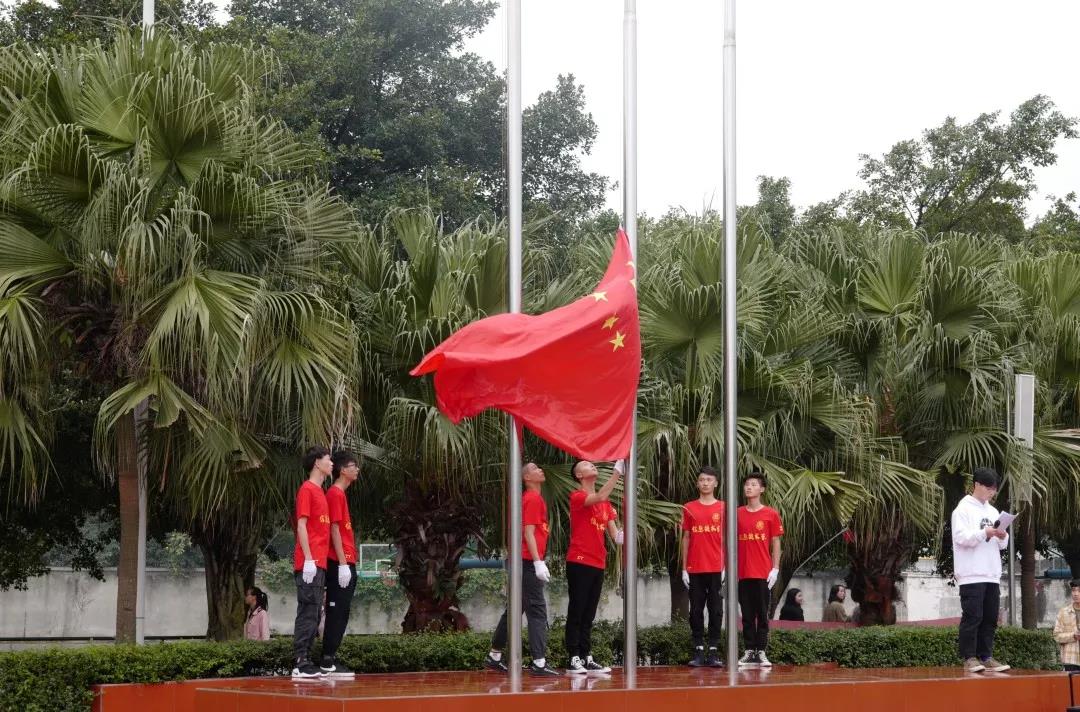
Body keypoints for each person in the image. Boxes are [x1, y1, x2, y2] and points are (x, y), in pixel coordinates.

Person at [485, 463, 558, 677]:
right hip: (526, 561)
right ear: (527, 477)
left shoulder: (531, 498)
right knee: (537, 610)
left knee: (515, 610)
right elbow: (528, 533)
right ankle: (539, 662)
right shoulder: (532, 498)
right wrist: (537, 561)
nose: (541, 470)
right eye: (535, 469)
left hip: (523, 561)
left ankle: (494, 655)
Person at [565, 458, 624, 674]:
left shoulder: (606, 505)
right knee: (577, 610)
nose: (591, 465)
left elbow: (616, 536)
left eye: (592, 463)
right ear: (579, 475)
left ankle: (585, 656)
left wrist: (625, 533)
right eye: (586, 464)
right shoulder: (577, 496)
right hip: (579, 560)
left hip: (598, 562)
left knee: (589, 613)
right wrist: (617, 473)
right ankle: (573, 657)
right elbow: (598, 496)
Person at [952, 466, 1010, 674]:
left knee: (990, 618)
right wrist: (984, 532)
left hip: (991, 573)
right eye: (988, 488)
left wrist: (1002, 536)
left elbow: (1002, 545)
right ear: (977, 484)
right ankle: (969, 658)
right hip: (971, 573)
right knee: (973, 616)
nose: (991, 492)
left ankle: (986, 656)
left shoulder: (993, 511)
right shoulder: (962, 509)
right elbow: (961, 537)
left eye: (994, 489)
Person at [291, 446, 332, 679]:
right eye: (328, 459)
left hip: (319, 563)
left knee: (315, 612)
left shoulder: (321, 493)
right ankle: (300, 662)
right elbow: (301, 525)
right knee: (308, 610)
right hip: (309, 562)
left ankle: (306, 659)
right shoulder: (307, 489)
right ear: (317, 462)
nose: (332, 463)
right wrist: (308, 559)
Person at [736, 470, 783, 668]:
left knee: (762, 614)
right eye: (747, 484)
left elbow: (776, 542)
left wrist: (775, 568)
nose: (749, 487)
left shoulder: (770, 514)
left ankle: (761, 651)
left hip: (763, 572)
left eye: (754, 484)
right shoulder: (737, 513)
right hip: (743, 572)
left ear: (762, 489)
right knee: (747, 614)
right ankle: (749, 651)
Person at [320, 450, 361, 678]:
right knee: (336, 611)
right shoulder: (335, 493)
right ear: (343, 470)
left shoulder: (340, 494)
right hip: (339, 562)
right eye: (354, 466)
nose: (357, 470)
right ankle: (327, 660)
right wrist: (343, 564)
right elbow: (334, 529)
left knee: (342, 611)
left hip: (345, 561)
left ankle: (331, 659)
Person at [680, 465, 726, 667]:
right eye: (702, 480)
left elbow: (728, 539)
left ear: (716, 483)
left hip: (717, 567)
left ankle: (713, 650)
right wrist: (684, 568)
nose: (705, 483)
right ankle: (698, 649)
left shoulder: (724, 507)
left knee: (716, 610)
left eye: (709, 480)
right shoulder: (688, 507)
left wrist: (727, 566)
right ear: (697, 483)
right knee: (696, 611)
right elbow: (686, 537)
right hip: (695, 568)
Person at [1052, 579, 1080, 671]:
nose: (1076, 594)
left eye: (1079, 591)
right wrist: (1073, 636)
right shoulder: (1063, 612)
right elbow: (1056, 636)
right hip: (1071, 659)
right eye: (1074, 590)